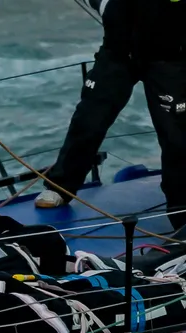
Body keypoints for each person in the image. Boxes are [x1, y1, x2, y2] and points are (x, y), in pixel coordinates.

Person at [36, 0, 186, 227]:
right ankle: (60, 187)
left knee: (177, 136)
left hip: (169, 55)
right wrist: (105, 4)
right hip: (118, 52)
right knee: (88, 119)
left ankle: (181, 214)